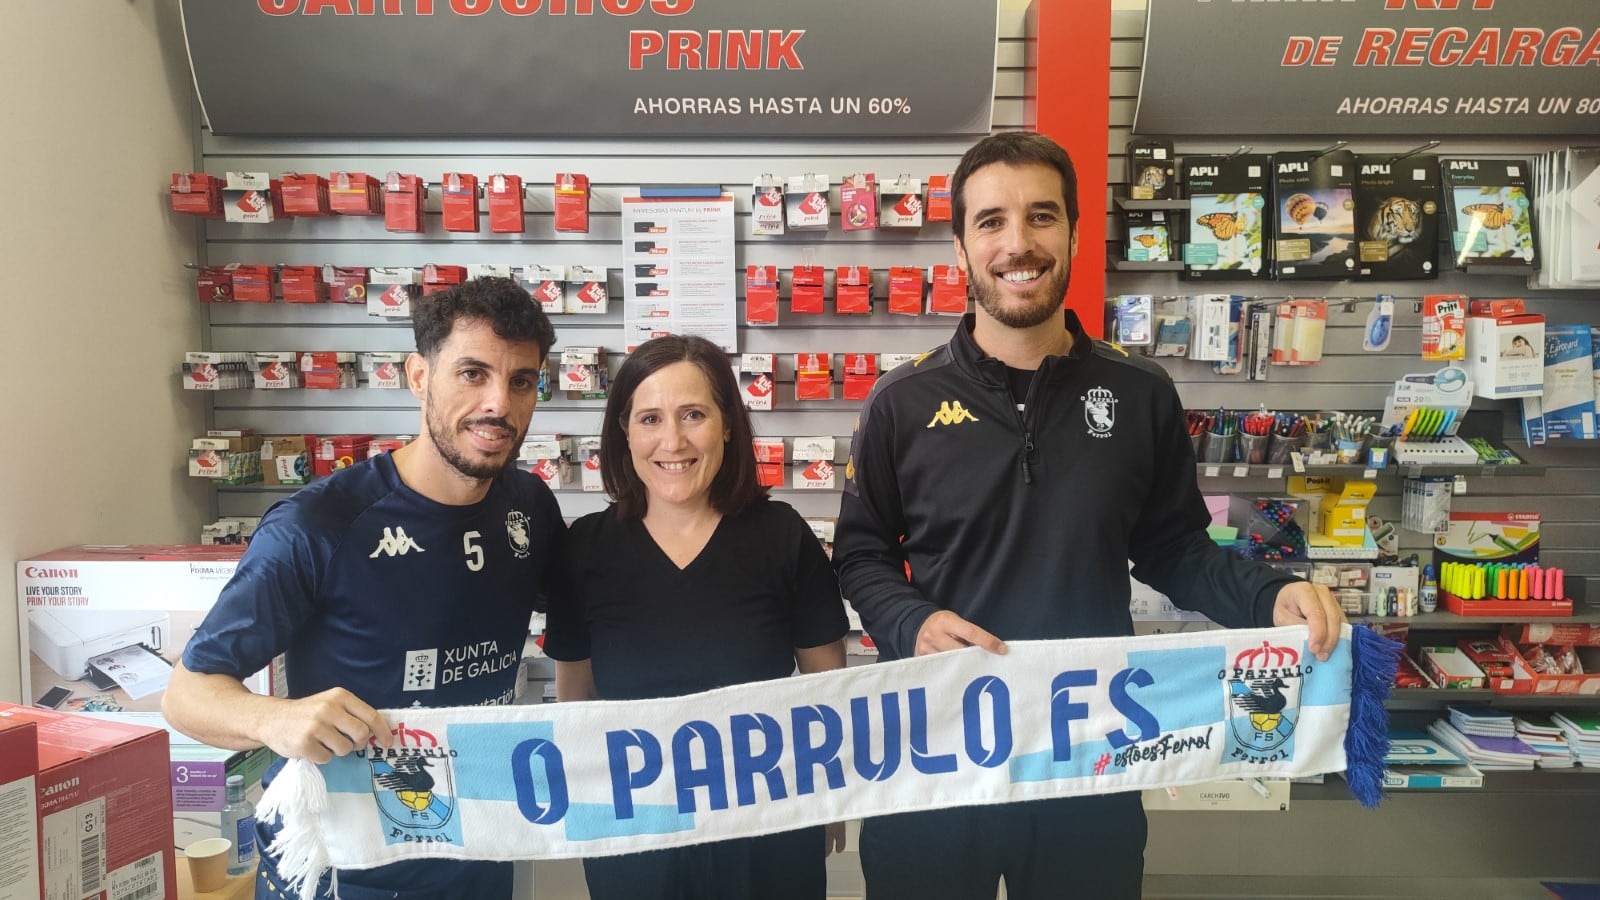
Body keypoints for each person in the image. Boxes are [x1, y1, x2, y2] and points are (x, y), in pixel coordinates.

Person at [832, 132, 1345, 899]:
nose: (1018, 243)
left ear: (1073, 232)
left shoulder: (1139, 393)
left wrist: (1270, 594)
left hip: (1091, 749)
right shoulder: (900, 402)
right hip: (939, 746)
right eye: (992, 221)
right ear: (961, 245)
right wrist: (911, 624)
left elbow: (1175, 548)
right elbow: (861, 555)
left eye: (1041, 217)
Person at [163, 277, 564, 900]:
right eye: (472, 373)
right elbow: (187, 694)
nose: (498, 404)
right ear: (418, 376)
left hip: (476, 851)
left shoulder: (529, 504)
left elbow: (590, 615)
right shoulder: (317, 525)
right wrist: (277, 719)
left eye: (520, 381)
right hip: (343, 867)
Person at [544, 334, 849, 900]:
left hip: (769, 835)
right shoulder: (584, 550)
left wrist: (832, 798)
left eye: (693, 415)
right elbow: (575, 709)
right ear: (623, 432)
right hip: (635, 841)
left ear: (728, 425)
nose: (673, 441)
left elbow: (826, 690)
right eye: (650, 418)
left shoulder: (781, 536)